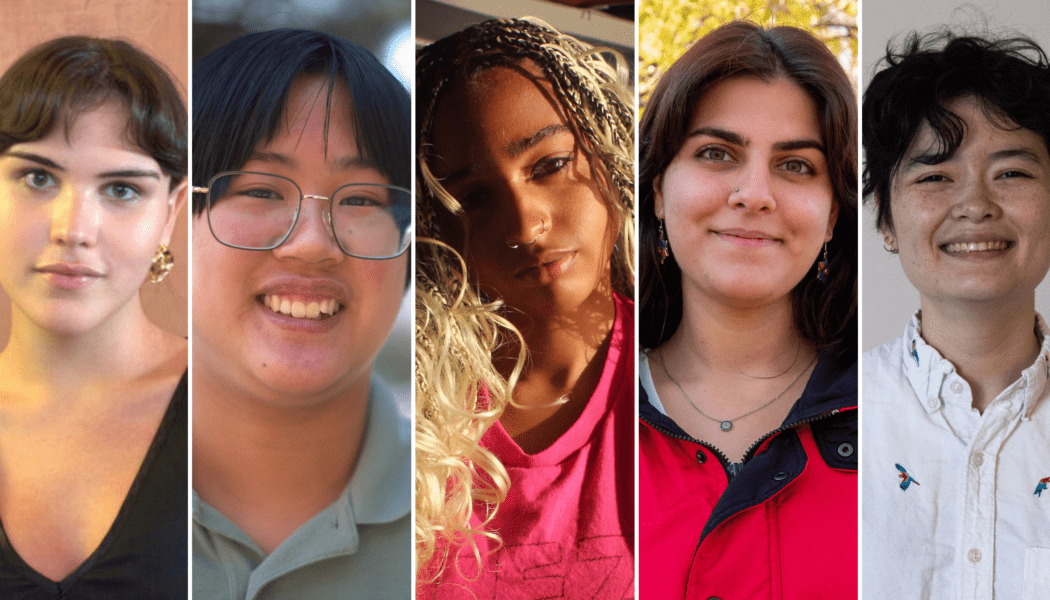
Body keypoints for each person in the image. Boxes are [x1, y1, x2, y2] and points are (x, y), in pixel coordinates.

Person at [638, 20, 859, 598]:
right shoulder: (584, 417)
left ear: (834, 213)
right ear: (658, 188)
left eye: (796, 165)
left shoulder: (901, 413)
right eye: (717, 153)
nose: (754, 193)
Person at [415, 18, 635, 597]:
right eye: (475, 197)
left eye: (549, 165)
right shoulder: (403, 409)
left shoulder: (681, 373)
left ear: (609, 152)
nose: (524, 223)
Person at [191, 29, 411, 599]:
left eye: (360, 198)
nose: (313, 243)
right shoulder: (53, 487)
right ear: (169, 224)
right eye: (261, 190)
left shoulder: (474, 515)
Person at [863, 31, 1050, 599]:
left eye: (1012, 172)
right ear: (887, 222)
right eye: (935, 176)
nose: (975, 205)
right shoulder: (831, 420)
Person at [0, 36, 187, 598]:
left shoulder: (240, 409)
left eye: (122, 189)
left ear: (169, 214)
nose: (73, 228)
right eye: (38, 178)